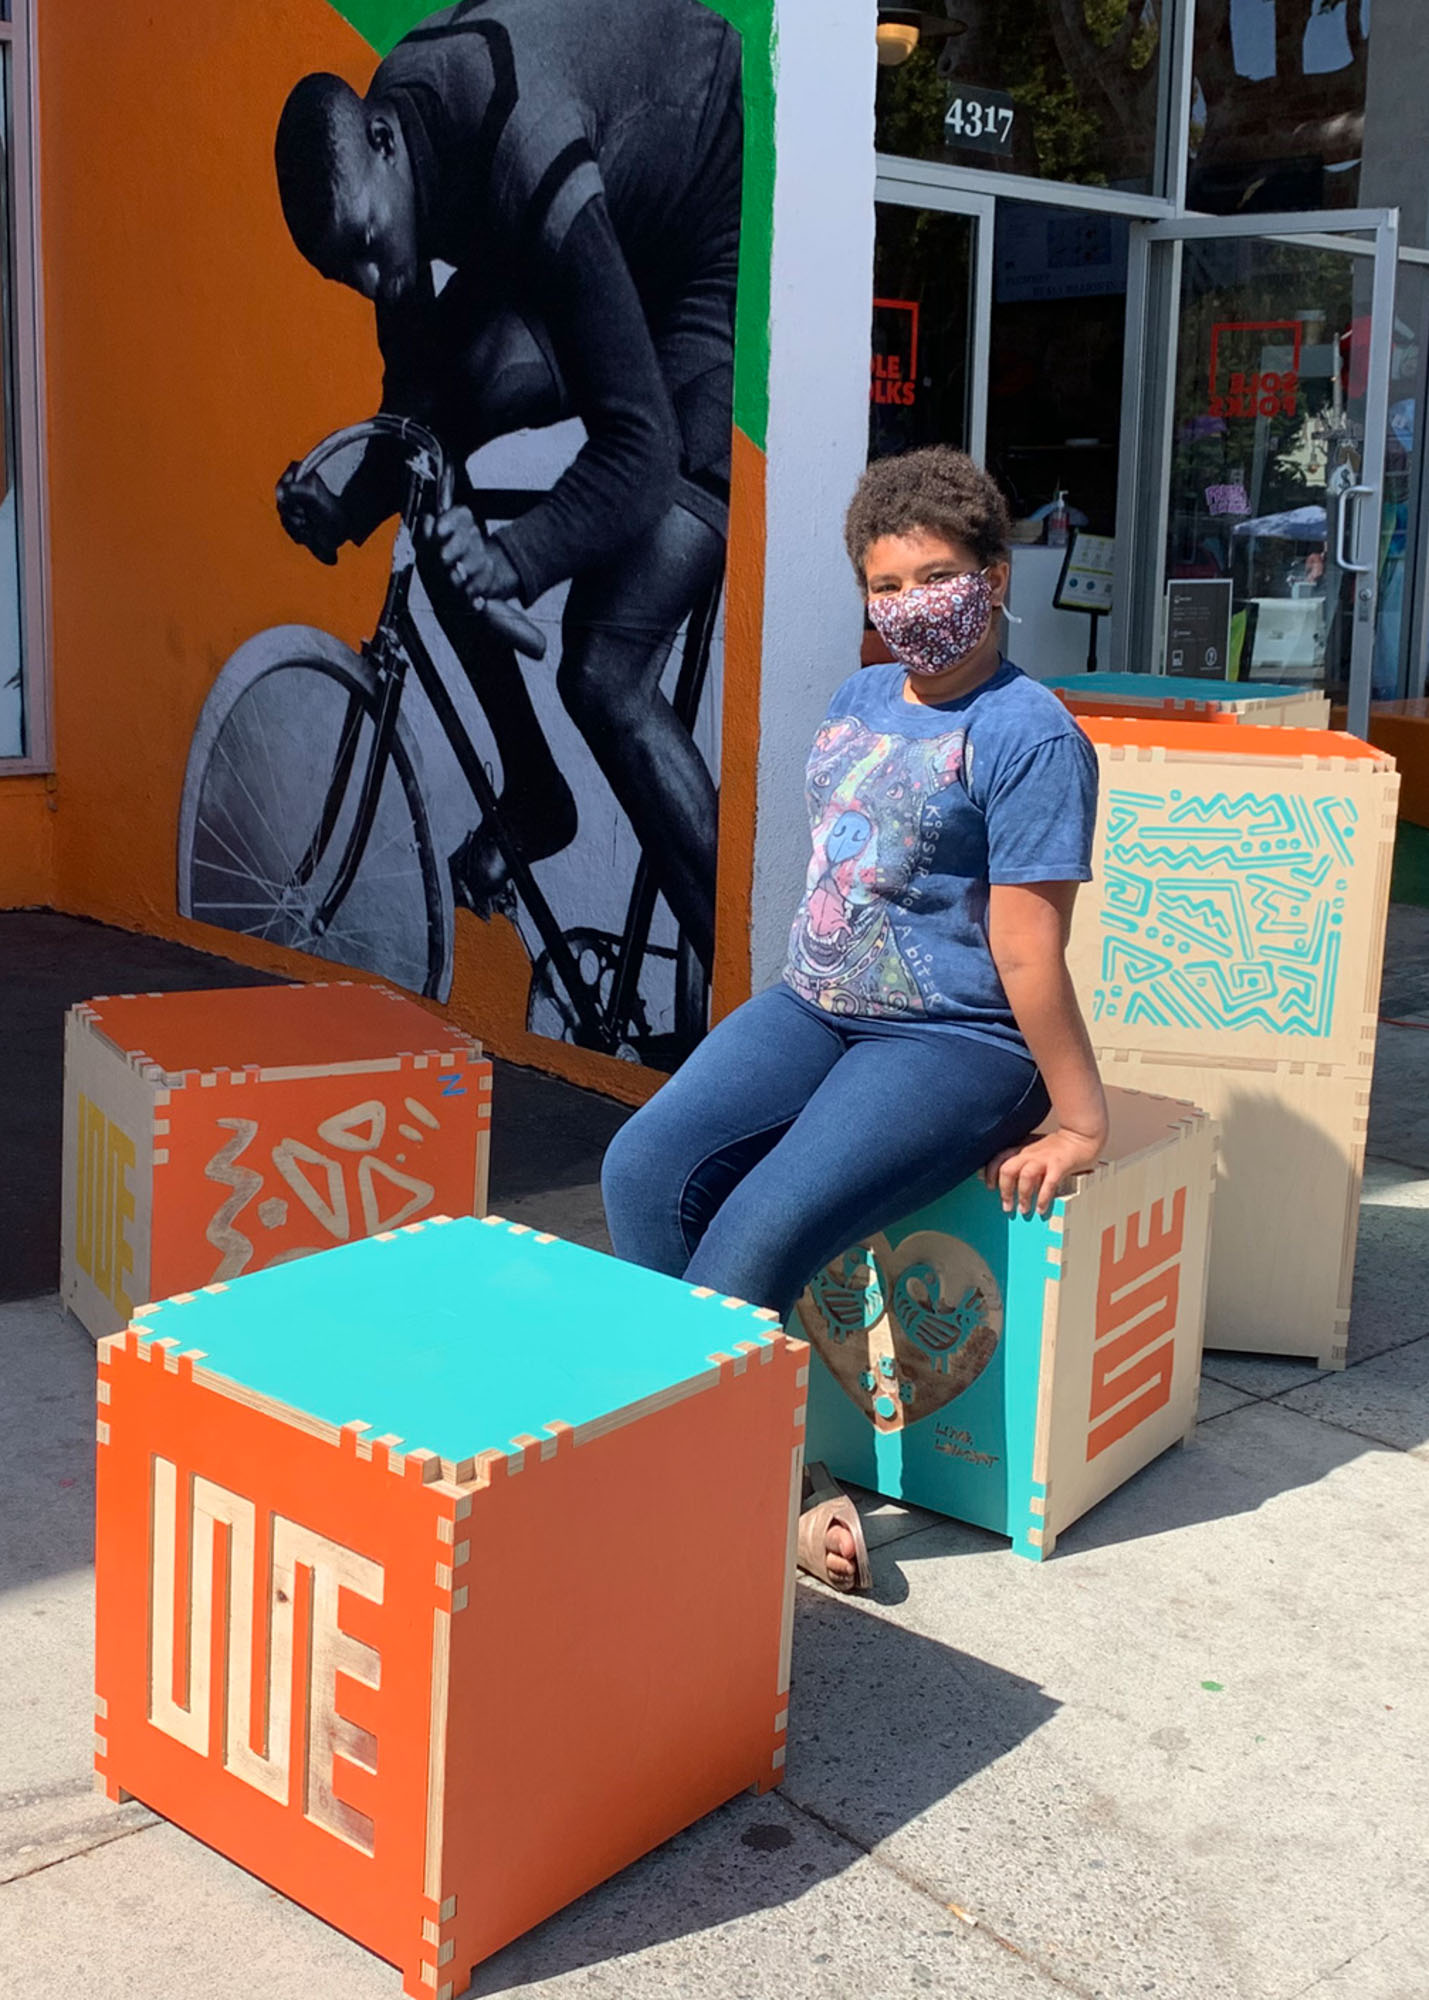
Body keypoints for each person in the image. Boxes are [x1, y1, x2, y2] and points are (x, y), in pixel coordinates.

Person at [601, 447, 1109, 1590]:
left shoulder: (1031, 735)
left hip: (952, 1039)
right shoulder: (861, 694)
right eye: (884, 585)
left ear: (992, 570)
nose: (910, 604)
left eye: (935, 574)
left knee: (748, 1241)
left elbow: (1029, 945)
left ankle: (694, 1518)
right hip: (817, 1002)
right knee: (642, 1165)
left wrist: (1079, 1118)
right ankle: (759, 1462)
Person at [271, 0, 742, 971]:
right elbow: (417, 410)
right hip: (588, 244)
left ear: (383, 141)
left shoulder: (523, 143)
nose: (371, 282)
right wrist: (346, 508)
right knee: (437, 483)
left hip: (687, 270)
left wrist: (515, 555)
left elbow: (640, 451)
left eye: (366, 244)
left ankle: (765, 1009)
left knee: (602, 677)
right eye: (341, 274)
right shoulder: (399, 157)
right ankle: (533, 790)